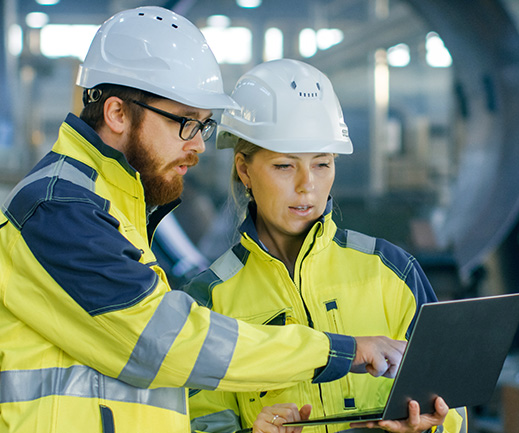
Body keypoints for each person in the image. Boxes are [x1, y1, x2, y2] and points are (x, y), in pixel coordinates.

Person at [0, 8, 407, 433]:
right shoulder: (58, 208)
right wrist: (338, 351)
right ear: (118, 114)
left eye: (203, 126)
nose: (197, 145)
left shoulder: (112, 208)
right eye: (184, 123)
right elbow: (166, 343)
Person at [183, 59, 468, 433]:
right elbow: (198, 421)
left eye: (321, 164)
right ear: (244, 170)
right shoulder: (211, 299)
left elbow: (453, 408)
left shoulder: (392, 271)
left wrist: (430, 427)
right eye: (285, 166)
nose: (307, 186)